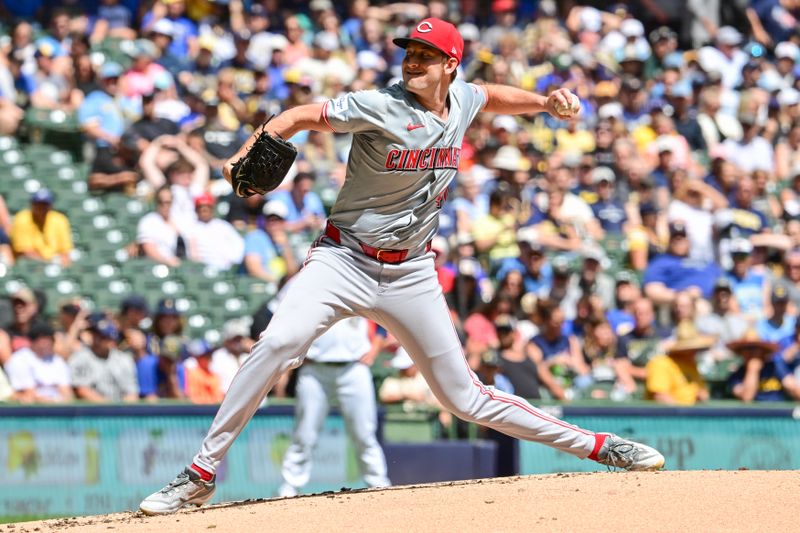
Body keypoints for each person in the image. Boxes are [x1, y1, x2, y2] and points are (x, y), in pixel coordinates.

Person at [140, 18, 664, 515]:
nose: (412, 62)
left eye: (425, 56)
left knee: (464, 398)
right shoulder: (379, 105)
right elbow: (298, 116)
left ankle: (600, 447)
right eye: (409, 54)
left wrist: (544, 103)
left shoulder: (462, 99)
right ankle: (200, 474)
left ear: (451, 65)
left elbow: (490, 96)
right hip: (343, 258)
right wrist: (246, 150)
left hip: (411, 271)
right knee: (276, 344)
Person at [278, 316, 390, 497]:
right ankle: (289, 487)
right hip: (315, 369)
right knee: (304, 434)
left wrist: (375, 348)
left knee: (364, 433)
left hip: (354, 367)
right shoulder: (309, 288)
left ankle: (378, 483)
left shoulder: (361, 287)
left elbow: (382, 320)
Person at [68, 319, 139, 403]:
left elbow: (132, 393)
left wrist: (122, 410)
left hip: (121, 411)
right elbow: (81, 390)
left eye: (102, 337)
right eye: (94, 334)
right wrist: (109, 408)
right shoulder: (79, 358)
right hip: (91, 411)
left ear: (111, 339)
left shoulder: (124, 360)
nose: (96, 339)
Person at [646, 321, 714, 406]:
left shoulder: (692, 366)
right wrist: (682, 412)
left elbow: (702, 392)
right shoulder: (661, 363)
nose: (694, 352)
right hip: (668, 417)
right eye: (690, 350)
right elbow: (660, 396)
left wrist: (701, 396)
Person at [4, 322, 73, 403]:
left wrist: (57, 401)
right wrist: (53, 401)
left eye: (51, 340)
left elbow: (67, 392)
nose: (48, 343)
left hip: (56, 408)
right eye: (44, 340)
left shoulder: (58, 361)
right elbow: (28, 395)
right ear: (33, 341)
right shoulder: (19, 360)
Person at [9, 189, 73, 267]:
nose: (41, 208)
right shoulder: (22, 218)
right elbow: (24, 251)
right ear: (32, 204)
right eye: (38, 204)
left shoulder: (59, 220)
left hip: (53, 265)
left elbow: (65, 252)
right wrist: (48, 263)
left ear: (50, 206)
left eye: (44, 204)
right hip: (30, 266)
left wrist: (60, 264)